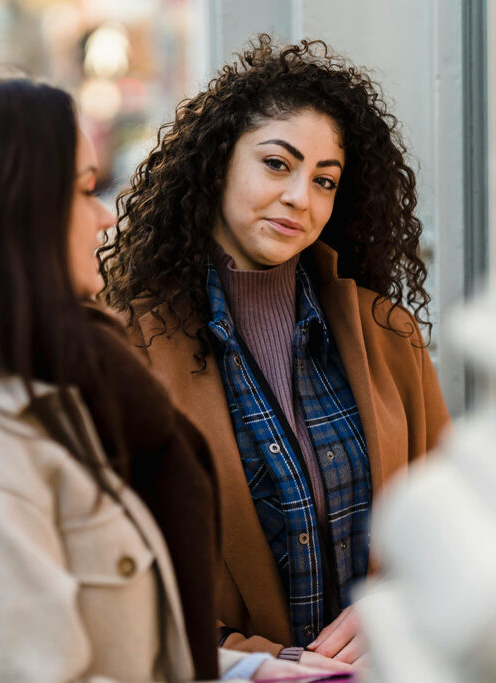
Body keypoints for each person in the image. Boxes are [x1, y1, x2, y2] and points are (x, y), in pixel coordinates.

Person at [0, 76, 326, 682]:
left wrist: (241, 672)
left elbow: (101, 642)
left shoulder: (48, 399)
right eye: (84, 189)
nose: (103, 216)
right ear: (15, 210)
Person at [101, 35, 453, 668]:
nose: (301, 198)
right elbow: (117, 580)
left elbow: (451, 527)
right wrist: (254, 665)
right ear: (216, 165)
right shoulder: (127, 351)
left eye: (325, 180)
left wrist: (398, 605)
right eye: (276, 164)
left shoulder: (388, 336)